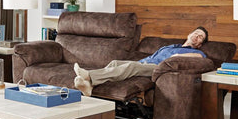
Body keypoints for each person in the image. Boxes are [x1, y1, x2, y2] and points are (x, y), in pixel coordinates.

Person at [74, 26, 209, 96]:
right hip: (145, 62)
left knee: (131, 66)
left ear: (199, 44)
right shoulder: (171, 46)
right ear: (189, 34)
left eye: (200, 37)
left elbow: (201, 58)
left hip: (158, 69)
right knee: (115, 63)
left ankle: (89, 75)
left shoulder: (197, 52)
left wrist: (177, 56)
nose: (197, 36)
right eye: (196, 33)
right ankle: (89, 86)